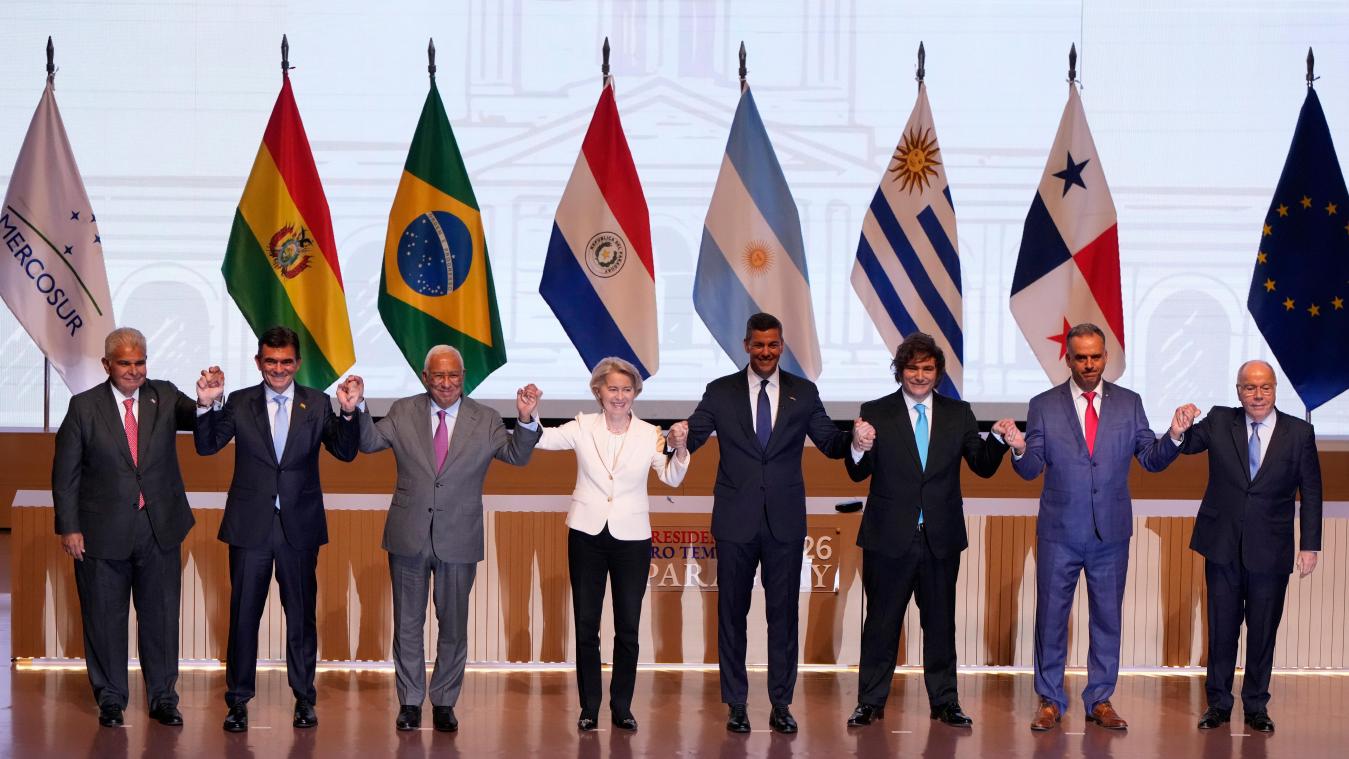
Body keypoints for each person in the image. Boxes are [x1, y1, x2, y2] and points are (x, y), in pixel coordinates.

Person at [1004, 322, 1194, 732]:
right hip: (1059, 532)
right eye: (1081, 358)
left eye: (1096, 357)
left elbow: (1150, 458)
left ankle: (1100, 699)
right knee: (1050, 619)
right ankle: (1050, 700)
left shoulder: (1129, 403)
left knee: (1107, 619)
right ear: (1068, 359)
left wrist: (1175, 435)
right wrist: (1019, 448)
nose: (1089, 364)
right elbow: (1031, 468)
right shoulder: (1043, 405)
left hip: (1111, 533)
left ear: (1106, 357)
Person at [350, 345, 541, 733]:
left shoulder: (486, 419)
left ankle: (444, 702)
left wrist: (524, 419)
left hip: (459, 536)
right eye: (438, 375)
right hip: (409, 535)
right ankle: (409, 702)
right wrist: (358, 407)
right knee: (407, 624)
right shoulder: (403, 410)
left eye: (453, 375)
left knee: (453, 626)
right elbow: (369, 443)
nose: (446, 382)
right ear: (425, 377)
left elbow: (517, 457)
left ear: (463, 376)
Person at [684, 312, 859, 734]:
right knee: (731, 615)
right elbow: (692, 436)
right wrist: (676, 439)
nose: (766, 352)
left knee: (783, 616)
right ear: (746, 345)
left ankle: (782, 704)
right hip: (735, 522)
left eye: (773, 344)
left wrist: (855, 439)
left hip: (784, 522)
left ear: (782, 346)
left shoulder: (804, 392)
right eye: (759, 344)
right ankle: (736, 704)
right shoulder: (720, 391)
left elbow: (829, 442)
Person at [843, 332, 1015, 729]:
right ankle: (870, 702)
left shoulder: (959, 413)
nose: (920, 375)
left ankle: (945, 702)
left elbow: (982, 466)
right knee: (882, 624)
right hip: (888, 538)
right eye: (912, 368)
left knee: (940, 625)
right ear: (899, 370)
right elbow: (856, 472)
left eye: (927, 368)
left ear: (938, 372)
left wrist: (999, 439)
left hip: (940, 538)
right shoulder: (875, 411)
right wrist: (858, 445)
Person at [194, 325, 361, 733]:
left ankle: (304, 699)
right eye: (271, 361)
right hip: (250, 527)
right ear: (259, 362)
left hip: (299, 528)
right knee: (243, 617)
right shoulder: (239, 401)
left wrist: (348, 412)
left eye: (286, 361)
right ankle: (237, 702)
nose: (279, 369)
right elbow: (207, 445)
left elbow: (345, 452)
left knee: (301, 617)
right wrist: (205, 404)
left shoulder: (318, 403)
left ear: (297, 363)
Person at [52, 327, 209, 728]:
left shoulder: (164, 395)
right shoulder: (83, 407)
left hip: (159, 529)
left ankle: (163, 699)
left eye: (140, 362)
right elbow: (65, 475)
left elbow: (199, 419)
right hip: (101, 533)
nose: (134, 370)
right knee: (104, 618)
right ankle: (110, 699)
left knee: (161, 618)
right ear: (107, 364)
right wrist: (69, 527)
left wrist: (208, 401)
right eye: (125, 363)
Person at [534, 356, 691, 733]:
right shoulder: (582, 426)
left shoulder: (651, 434)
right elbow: (544, 439)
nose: (619, 396)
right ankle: (589, 706)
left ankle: (622, 706)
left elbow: (671, 478)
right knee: (586, 625)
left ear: (635, 393)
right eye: (612, 388)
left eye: (626, 389)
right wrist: (529, 414)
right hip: (586, 534)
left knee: (628, 627)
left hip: (632, 538)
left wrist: (681, 449)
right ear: (598, 391)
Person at [1178, 360, 1321, 734]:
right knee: (1222, 630)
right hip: (1222, 546)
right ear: (1238, 391)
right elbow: (1187, 445)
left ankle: (1256, 706)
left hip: (1271, 551)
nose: (1258, 395)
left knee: (1262, 632)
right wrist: (1179, 429)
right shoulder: (1219, 420)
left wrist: (1310, 545)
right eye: (1249, 388)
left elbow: (1312, 491)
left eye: (1265, 387)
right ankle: (1218, 704)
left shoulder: (1299, 432)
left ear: (1275, 389)